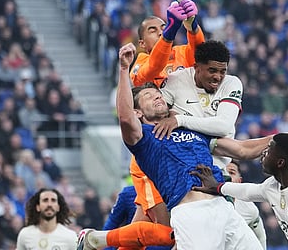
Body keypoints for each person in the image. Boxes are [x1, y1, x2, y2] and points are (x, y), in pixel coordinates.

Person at [77, 43, 269, 250]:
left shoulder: (194, 128)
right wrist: (124, 70)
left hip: (223, 207)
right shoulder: (144, 140)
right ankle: (97, 240)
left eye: (157, 94)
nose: (157, 96)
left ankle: (98, 239)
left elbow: (241, 150)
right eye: (148, 96)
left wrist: (281, 140)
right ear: (138, 113)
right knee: (163, 234)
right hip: (190, 213)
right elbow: (125, 117)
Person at [126, 0, 204, 234]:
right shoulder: (138, 62)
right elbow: (153, 69)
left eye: (164, 26)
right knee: (171, 232)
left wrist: (193, 25)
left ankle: (97, 240)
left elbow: (203, 56)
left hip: (182, 146)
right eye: (153, 30)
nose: (160, 32)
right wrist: (171, 30)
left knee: (141, 230)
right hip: (152, 153)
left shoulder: (182, 54)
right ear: (142, 43)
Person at [226, 160, 267, 249]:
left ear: (239, 180)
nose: (227, 176)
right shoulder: (206, 203)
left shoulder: (249, 208)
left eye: (231, 173)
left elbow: (260, 237)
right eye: (222, 172)